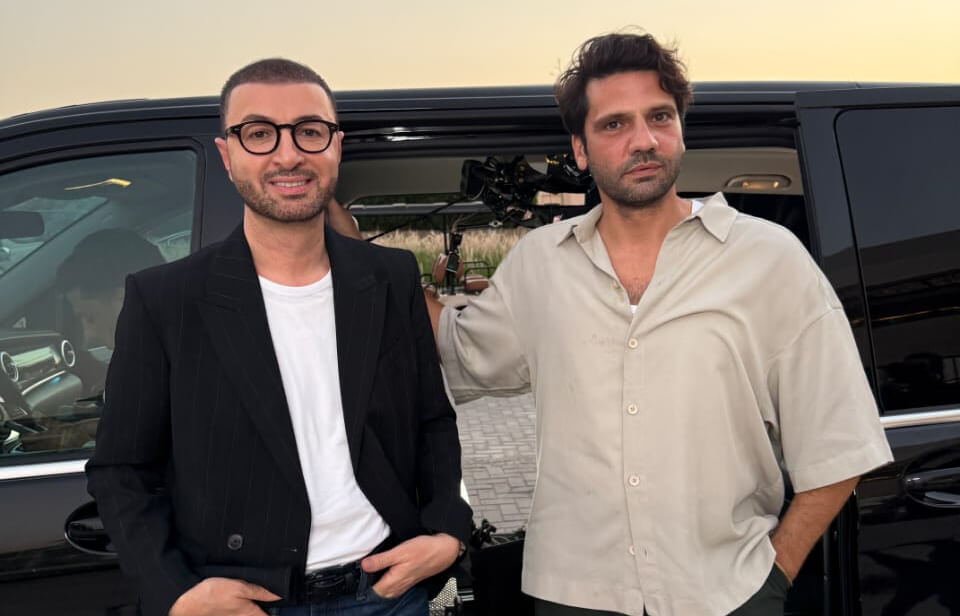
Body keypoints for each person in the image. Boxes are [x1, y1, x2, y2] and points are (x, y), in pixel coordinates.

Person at [423, 32, 893, 616]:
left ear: (680, 130)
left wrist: (774, 576)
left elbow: (841, 440)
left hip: (726, 593)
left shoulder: (770, 260)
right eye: (615, 124)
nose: (643, 139)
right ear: (580, 150)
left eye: (659, 117)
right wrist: (373, 271)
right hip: (574, 596)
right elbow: (461, 350)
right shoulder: (537, 266)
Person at [86, 58, 471, 616]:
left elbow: (431, 419)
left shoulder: (389, 277)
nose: (288, 155)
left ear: (336, 146)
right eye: (260, 133)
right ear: (227, 155)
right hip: (246, 602)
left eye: (309, 132)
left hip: (386, 593)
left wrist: (447, 531)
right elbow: (121, 469)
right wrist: (175, 593)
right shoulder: (166, 300)